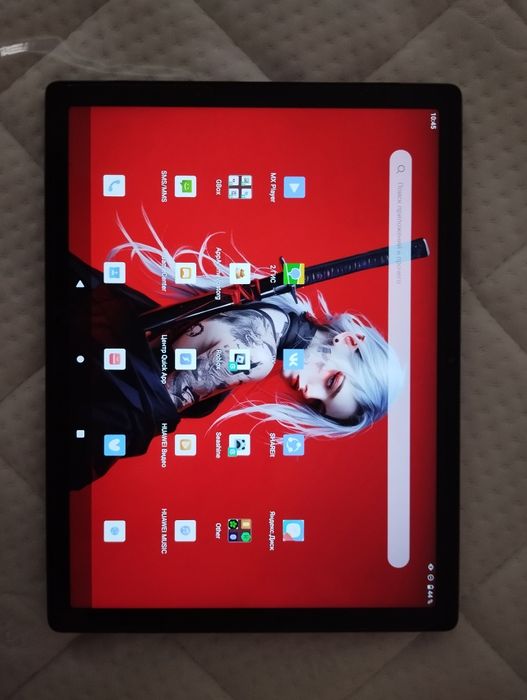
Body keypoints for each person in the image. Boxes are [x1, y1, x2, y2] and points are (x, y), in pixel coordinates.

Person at [70, 210, 403, 488]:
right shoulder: (257, 356)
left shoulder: (275, 310)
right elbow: (131, 412)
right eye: (332, 382)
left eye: (318, 404)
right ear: (350, 341)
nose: (308, 392)